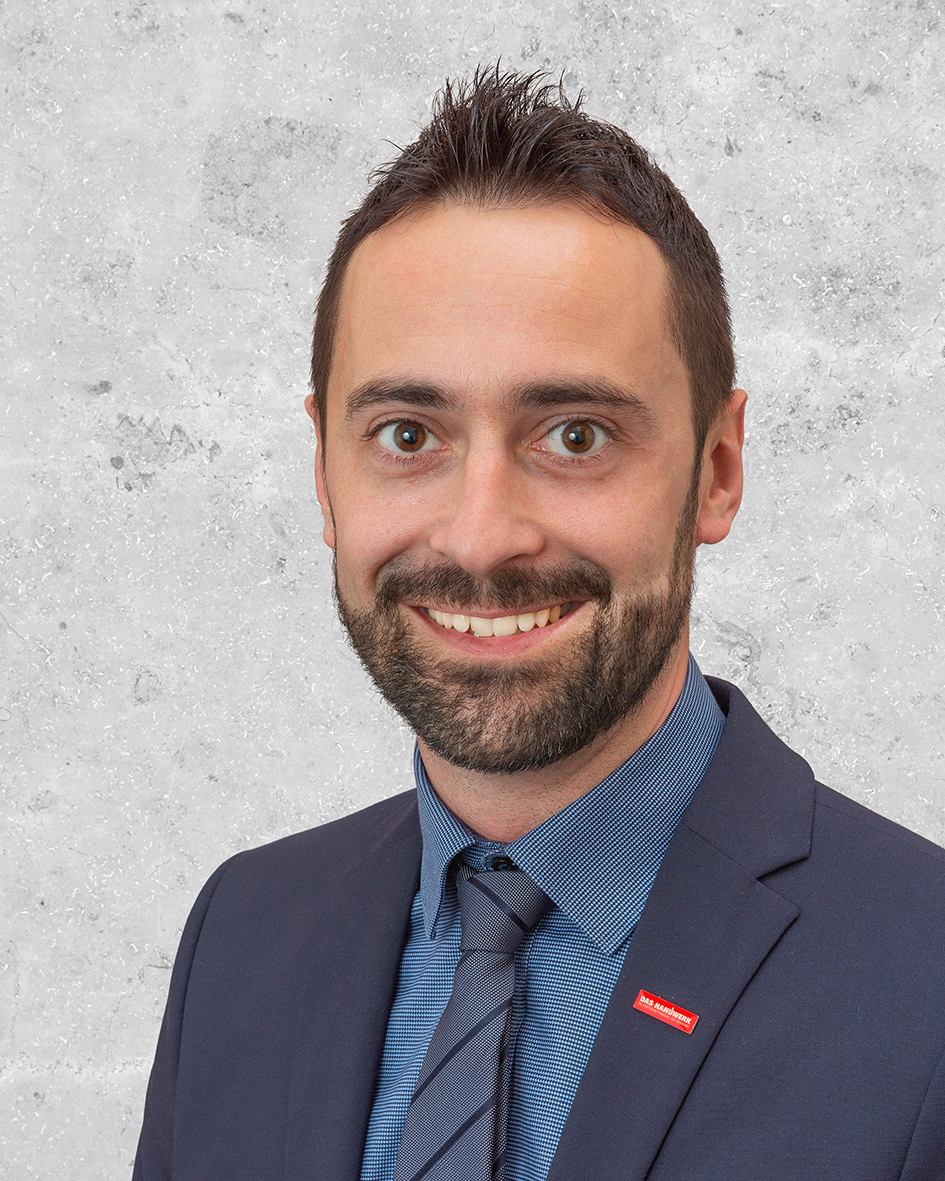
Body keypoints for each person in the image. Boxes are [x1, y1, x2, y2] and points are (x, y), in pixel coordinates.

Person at [133, 68, 945, 1181]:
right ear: (323, 472)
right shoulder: (244, 935)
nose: (480, 538)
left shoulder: (922, 976)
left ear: (717, 468)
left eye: (574, 435)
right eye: (408, 435)